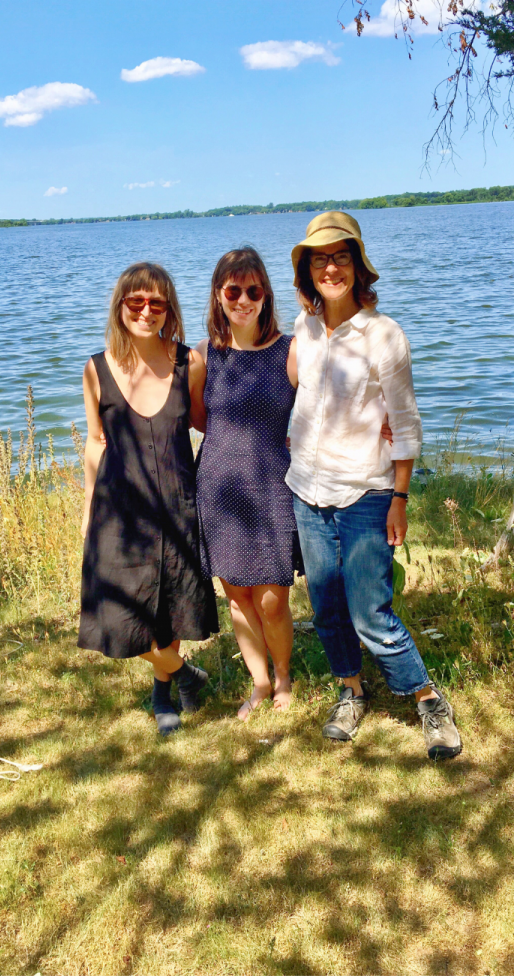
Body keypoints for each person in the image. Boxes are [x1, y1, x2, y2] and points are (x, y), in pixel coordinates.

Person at [286, 212, 462, 760]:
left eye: (341, 257)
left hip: (366, 492)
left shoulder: (384, 334)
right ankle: (351, 690)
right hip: (306, 490)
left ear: (358, 265)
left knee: (370, 610)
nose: (331, 267)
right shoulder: (305, 328)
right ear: (307, 269)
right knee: (326, 606)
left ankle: (429, 700)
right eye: (320, 258)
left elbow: (406, 423)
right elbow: (300, 387)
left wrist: (400, 497)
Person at [78, 262, 218, 736]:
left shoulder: (188, 363)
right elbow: (96, 442)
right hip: (119, 509)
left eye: (156, 303)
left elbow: (205, 422)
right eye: (136, 302)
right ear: (121, 306)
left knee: (172, 605)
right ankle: (184, 673)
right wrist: (86, 511)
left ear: (168, 309)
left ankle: (165, 693)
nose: (146, 311)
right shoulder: (97, 369)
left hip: (178, 502)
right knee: (118, 616)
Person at [195, 248, 299, 720]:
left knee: (273, 599)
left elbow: (327, 403)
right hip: (218, 485)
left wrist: (379, 425)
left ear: (265, 295)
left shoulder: (290, 350)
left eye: (252, 290)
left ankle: (283, 678)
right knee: (236, 595)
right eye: (232, 290)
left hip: (274, 485)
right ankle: (258, 684)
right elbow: (200, 419)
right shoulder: (203, 355)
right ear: (219, 295)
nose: (243, 299)